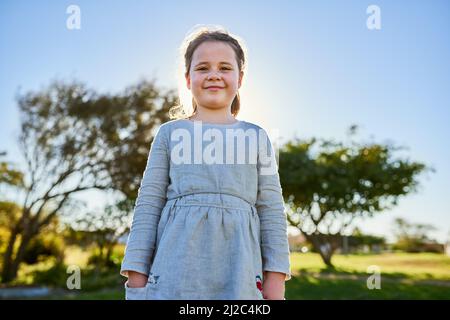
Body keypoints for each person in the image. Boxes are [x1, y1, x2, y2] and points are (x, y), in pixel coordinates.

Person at [120, 25, 291, 300]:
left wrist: (276, 280)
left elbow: (271, 209)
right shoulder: (170, 134)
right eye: (202, 68)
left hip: (241, 276)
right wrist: (137, 281)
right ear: (188, 79)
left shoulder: (257, 137)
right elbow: (148, 204)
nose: (214, 75)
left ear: (240, 78)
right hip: (173, 277)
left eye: (225, 67)